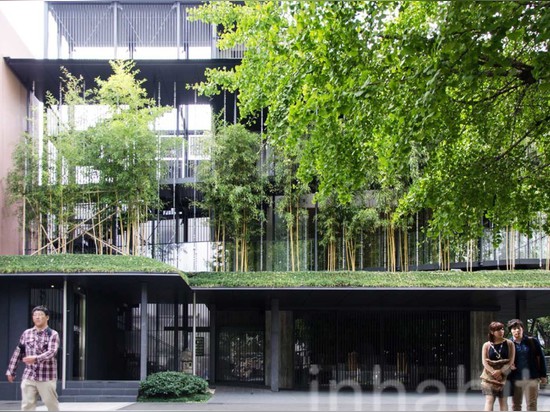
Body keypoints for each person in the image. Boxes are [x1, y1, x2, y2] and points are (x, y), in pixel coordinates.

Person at [5, 305, 60, 411]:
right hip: (29, 376)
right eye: (35, 315)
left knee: (52, 406)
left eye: (40, 315)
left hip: (46, 377)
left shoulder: (53, 334)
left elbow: (52, 352)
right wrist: (11, 371)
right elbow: (19, 352)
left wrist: (36, 358)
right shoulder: (27, 333)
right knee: (27, 406)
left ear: (47, 317)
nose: (37, 317)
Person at [507, 318, 548, 411]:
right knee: (516, 405)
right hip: (515, 379)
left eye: (519, 328)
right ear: (510, 331)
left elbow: (541, 358)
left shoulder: (532, 341)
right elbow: (504, 360)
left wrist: (543, 375)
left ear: (522, 329)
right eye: (514, 328)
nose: (517, 330)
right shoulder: (508, 344)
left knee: (532, 404)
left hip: (532, 378)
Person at [481, 321, 515, 411]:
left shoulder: (509, 343)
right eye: (498, 330)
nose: (501, 331)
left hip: (505, 375)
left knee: (503, 401)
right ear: (492, 332)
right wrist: (494, 372)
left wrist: (500, 371)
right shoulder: (486, 345)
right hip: (489, 376)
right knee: (489, 400)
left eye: (502, 329)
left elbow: (511, 360)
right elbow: (484, 362)